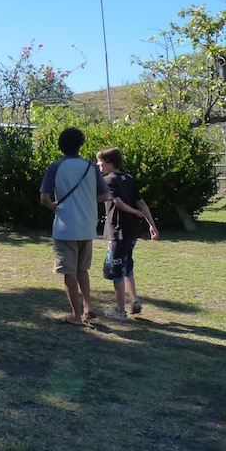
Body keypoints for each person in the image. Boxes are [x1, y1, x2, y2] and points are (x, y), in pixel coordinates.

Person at [40, 127, 112, 326]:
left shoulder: (55, 166)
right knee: (83, 270)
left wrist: (53, 207)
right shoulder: (90, 167)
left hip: (65, 226)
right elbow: (106, 195)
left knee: (68, 272)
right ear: (80, 145)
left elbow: (44, 196)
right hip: (88, 225)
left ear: (61, 145)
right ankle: (88, 307)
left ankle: (75, 315)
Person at [96, 147, 160, 320]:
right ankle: (134, 300)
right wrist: (151, 225)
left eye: (100, 161)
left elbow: (118, 203)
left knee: (116, 269)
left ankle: (120, 310)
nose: (98, 164)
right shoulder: (128, 178)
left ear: (108, 162)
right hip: (132, 231)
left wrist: (136, 213)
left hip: (118, 231)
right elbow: (142, 203)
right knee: (127, 265)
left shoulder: (107, 180)